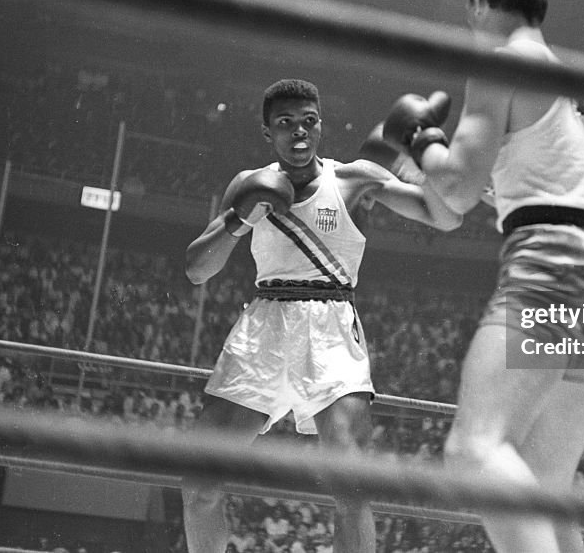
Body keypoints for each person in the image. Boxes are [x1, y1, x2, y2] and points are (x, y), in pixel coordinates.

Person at [382, 0, 584, 553]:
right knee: (545, 491)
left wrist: (419, 138)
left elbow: (458, 188)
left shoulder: (500, 64)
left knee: (474, 450)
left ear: (478, 2)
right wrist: (504, 190)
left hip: (550, 266)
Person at [183, 78, 461, 553]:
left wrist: (420, 157)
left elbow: (445, 216)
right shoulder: (249, 183)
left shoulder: (353, 179)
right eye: (285, 122)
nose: (299, 132)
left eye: (308, 121)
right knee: (198, 481)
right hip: (264, 326)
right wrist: (239, 217)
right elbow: (196, 270)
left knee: (352, 490)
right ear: (267, 132)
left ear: (320, 125)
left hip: (332, 329)